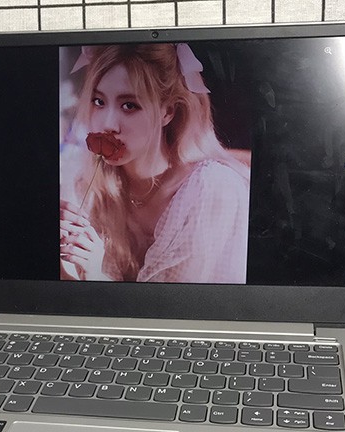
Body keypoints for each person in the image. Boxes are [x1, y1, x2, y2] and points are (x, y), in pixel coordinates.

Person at [60, 43, 251, 283]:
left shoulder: (211, 189)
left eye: (129, 106)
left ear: (167, 112)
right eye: (98, 101)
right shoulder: (86, 187)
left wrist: (96, 278)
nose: (108, 124)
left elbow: (177, 305)